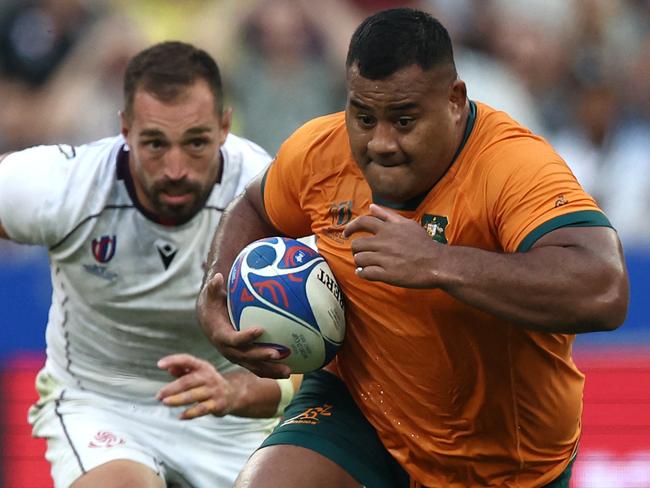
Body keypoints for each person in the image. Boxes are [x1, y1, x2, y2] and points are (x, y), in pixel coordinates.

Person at [196, 8, 629, 488]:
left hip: (507, 457)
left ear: (454, 100)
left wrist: (439, 262)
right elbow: (254, 207)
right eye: (363, 116)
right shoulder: (320, 150)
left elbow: (604, 290)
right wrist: (217, 291)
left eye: (404, 120)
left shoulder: (513, 166)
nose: (380, 142)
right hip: (360, 408)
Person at [0, 41, 298, 488]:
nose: (175, 168)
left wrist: (238, 391)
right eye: (155, 144)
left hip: (229, 413)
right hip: (101, 403)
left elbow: (310, 363)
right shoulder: (67, 187)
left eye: (196, 142)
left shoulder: (269, 195)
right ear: (124, 128)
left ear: (224, 126)